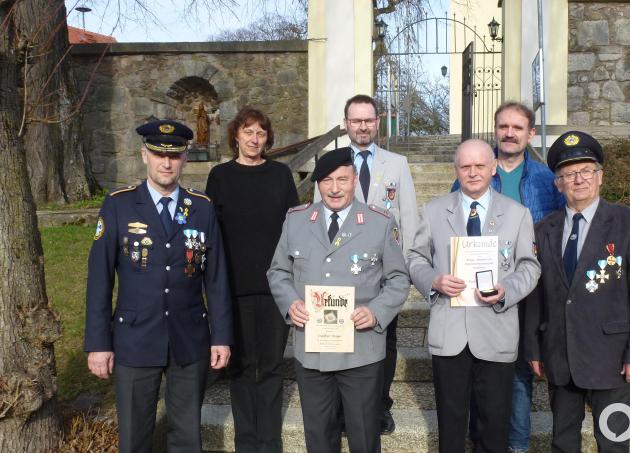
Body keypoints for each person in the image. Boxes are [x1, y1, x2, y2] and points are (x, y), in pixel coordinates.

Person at [85, 118, 233, 453]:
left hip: (189, 337)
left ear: (184, 159)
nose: (166, 163)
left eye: (174, 156)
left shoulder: (201, 208)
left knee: (186, 437)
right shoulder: (119, 204)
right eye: (158, 154)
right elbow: (100, 278)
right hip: (135, 337)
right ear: (144, 155)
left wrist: (221, 336)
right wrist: (98, 343)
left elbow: (217, 277)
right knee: (135, 436)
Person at [524, 131, 630, 452]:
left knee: (613, 444)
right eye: (569, 174)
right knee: (563, 442)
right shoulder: (544, 230)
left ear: (600, 177)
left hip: (611, 359)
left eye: (586, 171)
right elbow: (536, 297)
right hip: (560, 356)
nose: (578, 179)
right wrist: (533, 347)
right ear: (558, 183)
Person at [268, 147, 410, 453]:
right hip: (313, 349)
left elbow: (398, 279)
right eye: (327, 180)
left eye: (342, 179)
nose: (334, 188)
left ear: (354, 179)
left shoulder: (379, 222)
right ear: (317, 183)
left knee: (363, 436)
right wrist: (290, 303)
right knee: (318, 438)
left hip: (361, 349)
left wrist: (375, 312)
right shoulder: (296, 220)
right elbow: (278, 272)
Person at [407, 139, 540, 453]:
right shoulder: (434, 210)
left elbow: (530, 267)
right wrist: (433, 280)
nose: (473, 172)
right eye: (465, 166)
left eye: (480, 165)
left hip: (496, 331)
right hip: (450, 331)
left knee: (494, 426)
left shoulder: (518, 213)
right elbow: (414, 259)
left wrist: (507, 289)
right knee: (451, 425)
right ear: (456, 170)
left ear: (493, 168)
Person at [453, 102, 565, 452]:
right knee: (477, 369)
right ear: (495, 131)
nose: (510, 133)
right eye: (503, 126)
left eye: (518, 127)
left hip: (531, 287)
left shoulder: (548, 181)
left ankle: (516, 445)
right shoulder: (476, 173)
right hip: (479, 288)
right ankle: (481, 439)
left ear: (531, 133)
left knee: (519, 370)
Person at [315, 94, 418, 433]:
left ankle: (379, 406)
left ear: (378, 122)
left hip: (383, 270)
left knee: (383, 339)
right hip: (342, 270)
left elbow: (410, 218)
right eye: (355, 120)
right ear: (346, 124)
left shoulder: (396, 164)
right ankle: (346, 409)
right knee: (343, 338)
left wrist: (404, 270)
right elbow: (318, 217)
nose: (362, 126)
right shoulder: (330, 163)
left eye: (368, 120)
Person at [205, 107, 299, 452]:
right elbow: (210, 231)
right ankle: (247, 440)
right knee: (242, 366)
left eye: (260, 133)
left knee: (271, 366)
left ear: (267, 138)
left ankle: (270, 440)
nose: (254, 139)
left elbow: (294, 226)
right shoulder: (220, 176)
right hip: (234, 288)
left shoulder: (280, 175)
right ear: (236, 136)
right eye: (248, 132)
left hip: (276, 287)